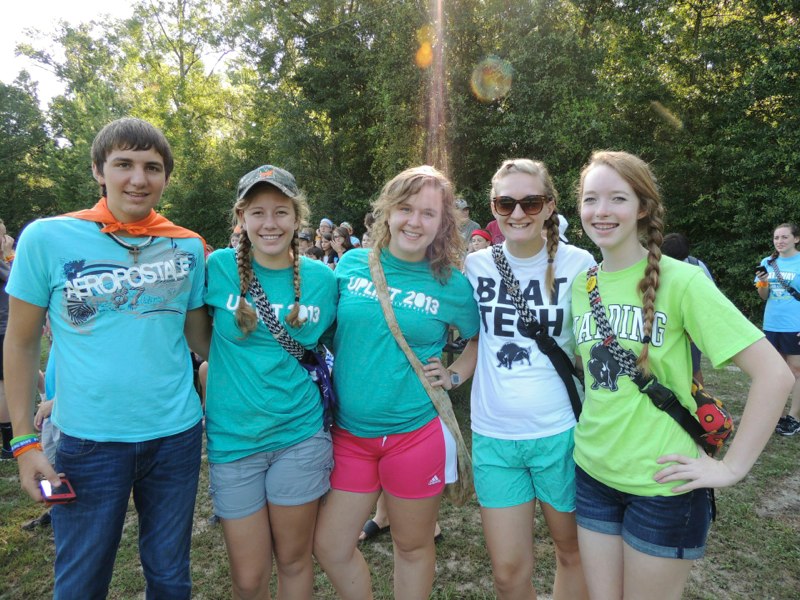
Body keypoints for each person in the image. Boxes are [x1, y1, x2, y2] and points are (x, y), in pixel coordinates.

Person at [3, 117, 210, 599]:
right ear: (99, 170)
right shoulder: (47, 238)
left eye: (151, 167)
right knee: (80, 581)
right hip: (88, 441)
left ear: (165, 177)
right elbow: (19, 342)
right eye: (124, 164)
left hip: (176, 438)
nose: (138, 178)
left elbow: (202, 337)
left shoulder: (186, 244)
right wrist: (24, 443)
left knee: (170, 576)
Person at [571, 150, 792, 600]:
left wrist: (732, 468)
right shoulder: (582, 284)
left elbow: (775, 374)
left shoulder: (684, 282)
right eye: (591, 199)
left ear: (642, 208)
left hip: (665, 488)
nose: (602, 211)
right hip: (592, 475)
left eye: (617, 198)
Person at [313, 165, 480, 600]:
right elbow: (323, 331)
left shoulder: (452, 285)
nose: (414, 221)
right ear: (387, 212)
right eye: (405, 209)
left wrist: (455, 372)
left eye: (428, 213)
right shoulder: (350, 265)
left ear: (443, 222)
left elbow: (478, 339)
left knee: (413, 546)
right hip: (350, 435)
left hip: (415, 434)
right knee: (330, 547)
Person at [448, 159, 593, 600]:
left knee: (574, 553)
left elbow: (593, 349)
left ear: (550, 206)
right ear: (493, 207)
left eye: (530, 202)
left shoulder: (579, 263)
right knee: (508, 574)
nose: (517, 213)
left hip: (561, 434)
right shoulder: (476, 267)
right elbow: (476, 342)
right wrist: (450, 376)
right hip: (494, 438)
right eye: (504, 203)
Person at [204, 165, 337, 599]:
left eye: (281, 212)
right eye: (257, 212)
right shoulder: (217, 269)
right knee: (248, 577)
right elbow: (195, 336)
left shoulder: (323, 280)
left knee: (295, 560)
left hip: (299, 436)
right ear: (241, 218)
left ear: (297, 218)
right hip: (233, 441)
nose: (269, 224)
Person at [755, 223, 800, 436]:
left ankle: (794, 417)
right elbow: (764, 296)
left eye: (784, 237)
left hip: (795, 325)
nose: (779, 241)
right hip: (772, 324)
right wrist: (763, 283)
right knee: (776, 371)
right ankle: (778, 415)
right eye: (776, 238)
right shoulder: (768, 262)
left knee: (797, 371)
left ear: (796, 239)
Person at [661, 232, 715, 384]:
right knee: (694, 367)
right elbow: (711, 294)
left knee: (690, 367)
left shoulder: (660, 266)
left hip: (673, 327)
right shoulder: (697, 264)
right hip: (691, 328)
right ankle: (700, 402)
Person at [0, 219, 13, 459]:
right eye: (2, 236)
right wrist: (8, 254)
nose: (7, 239)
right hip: (3, 329)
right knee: (3, 387)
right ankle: (8, 445)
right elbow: (17, 283)